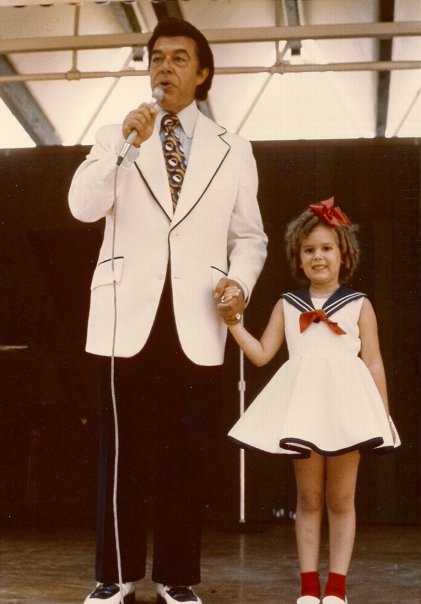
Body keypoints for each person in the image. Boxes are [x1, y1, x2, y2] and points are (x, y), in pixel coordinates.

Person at [68, 17, 267, 604]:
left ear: (202, 74)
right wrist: (126, 147)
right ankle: (116, 577)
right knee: (123, 452)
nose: (165, 67)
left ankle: (177, 578)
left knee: (186, 454)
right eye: (157, 57)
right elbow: (83, 207)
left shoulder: (234, 148)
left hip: (198, 318)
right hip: (126, 314)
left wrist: (238, 285)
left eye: (180, 58)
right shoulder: (115, 136)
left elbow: (249, 237)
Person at [219, 197, 400, 604]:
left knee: (341, 499)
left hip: (347, 411)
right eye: (309, 250)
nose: (318, 256)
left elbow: (373, 364)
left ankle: (336, 587)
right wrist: (233, 324)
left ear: (343, 254)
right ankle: (308, 588)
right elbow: (263, 353)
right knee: (310, 499)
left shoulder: (359, 305)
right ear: (298, 258)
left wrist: (382, 417)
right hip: (304, 412)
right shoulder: (287, 304)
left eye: (326, 248)